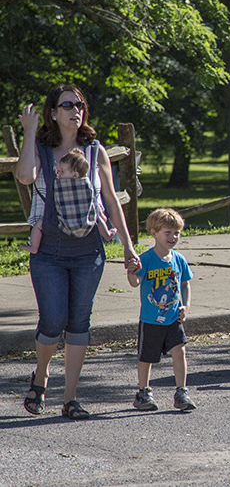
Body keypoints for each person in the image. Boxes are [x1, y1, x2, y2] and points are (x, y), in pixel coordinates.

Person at [16, 85, 139, 420]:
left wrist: (128, 247)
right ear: (53, 113)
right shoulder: (41, 149)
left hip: (89, 252)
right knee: (53, 322)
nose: (76, 110)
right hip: (49, 252)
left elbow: (110, 201)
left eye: (80, 104)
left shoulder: (95, 151)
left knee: (79, 324)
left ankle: (70, 398)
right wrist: (29, 132)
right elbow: (25, 176)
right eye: (67, 104)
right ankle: (41, 375)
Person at [127, 208, 196, 411]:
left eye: (176, 233)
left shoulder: (179, 259)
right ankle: (143, 392)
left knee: (179, 351)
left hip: (173, 317)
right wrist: (131, 272)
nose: (173, 237)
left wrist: (186, 305)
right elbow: (135, 282)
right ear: (154, 233)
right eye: (168, 233)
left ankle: (181, 391)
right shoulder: (146, 259)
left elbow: (185, 283)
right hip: (150, 319)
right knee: (146, 358)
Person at [22, 149, 117, 254]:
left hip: (63, 222)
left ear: (75, 175)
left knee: (38, 224)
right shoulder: (87, 184)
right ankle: (107, 234)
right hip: (86, 222)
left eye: (62, 171)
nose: (58, 174)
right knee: (97, 218)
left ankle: (34, 247)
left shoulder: (59, 184)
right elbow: (92, 203)